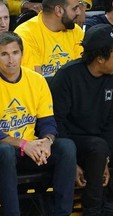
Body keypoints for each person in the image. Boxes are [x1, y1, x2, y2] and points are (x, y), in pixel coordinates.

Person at [50, 23, 113, 216]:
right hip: (74, 144)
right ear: (99, 58)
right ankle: (92, 211)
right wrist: (70, 162)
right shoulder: (67, 76)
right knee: (97, 146)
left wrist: (106, 157)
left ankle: (111, 204)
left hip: (101, 146)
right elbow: (57, 123)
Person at [0, 32, 76, 216]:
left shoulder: (36, 80)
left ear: (22, 54)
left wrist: (47, 142)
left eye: (15, 53)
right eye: (4, 54)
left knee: (66, 147)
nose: (11, 60)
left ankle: (61, 213)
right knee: (5, 151)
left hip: (32, 150)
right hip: (7, 153)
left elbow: (48, 122)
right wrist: (23, 145)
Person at [14, 0, 84, 77]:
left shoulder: (76, 31)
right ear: (59, 10)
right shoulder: (26, 34)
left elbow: (81, 72)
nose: (79, 13)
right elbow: (35, 80)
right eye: (74, 8)